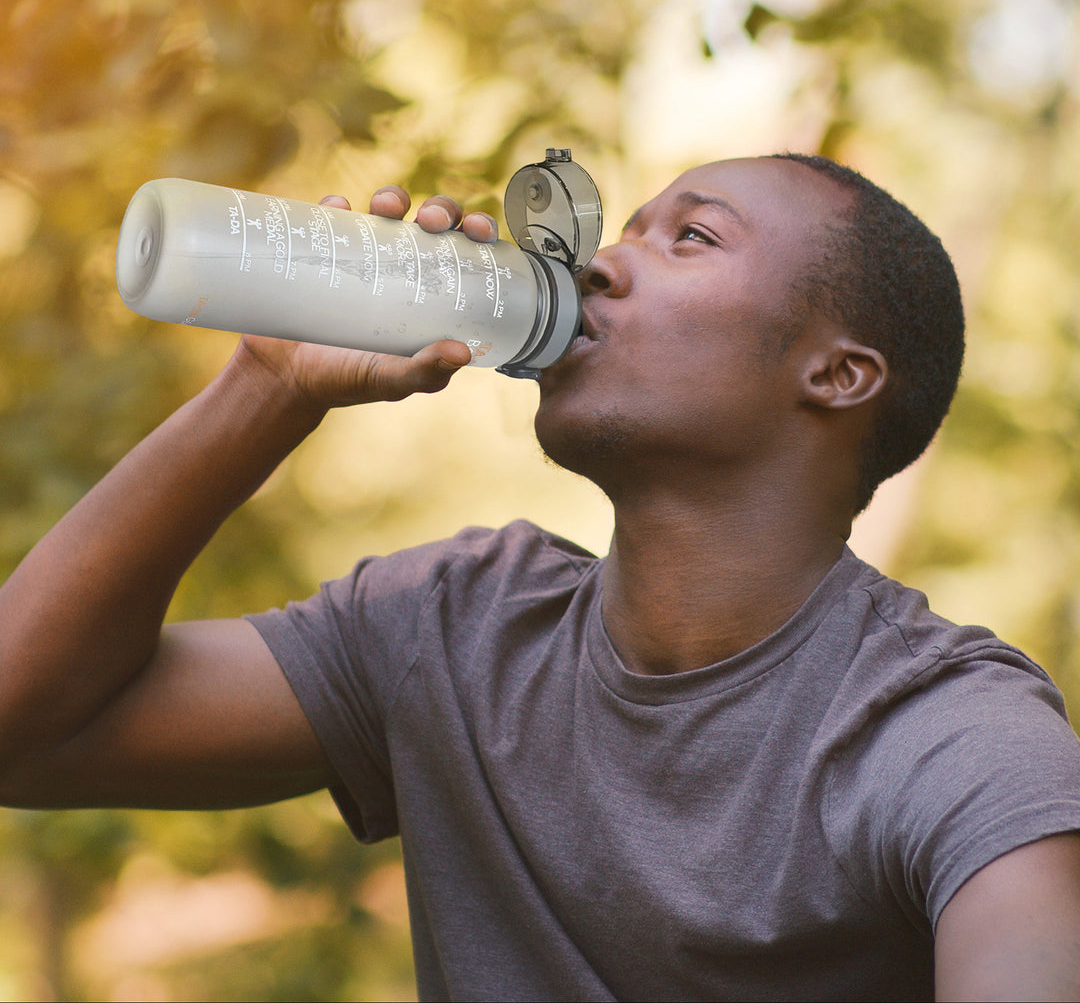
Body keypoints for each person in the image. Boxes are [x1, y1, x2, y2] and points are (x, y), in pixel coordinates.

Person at [1, 153, 1080, 1001]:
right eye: (625, 229)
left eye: (692, 237)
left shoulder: (944, 732)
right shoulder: (457, 624)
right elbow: (21, 727)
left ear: (836, 376)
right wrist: (265, 387)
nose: (601, 262)